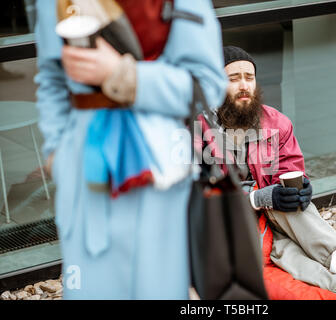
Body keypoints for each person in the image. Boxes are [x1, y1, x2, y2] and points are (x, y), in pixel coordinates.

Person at [34, 0, 227, 299]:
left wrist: (122, 75)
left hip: (160, 169)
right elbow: (51, 78)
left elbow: (207, 86)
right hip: (82, 167)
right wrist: (56, 154)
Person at [198, 46, 336, 300]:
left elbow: (290, 170)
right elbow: (197, 197)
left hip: (274, 218)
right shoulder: (197, 131)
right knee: (283, 252)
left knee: (288, 197)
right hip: (227, 222)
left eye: (249, 77)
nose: (244, 85)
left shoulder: (276, 123)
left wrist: (300, 188)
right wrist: (257, 198)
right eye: (233, 79)